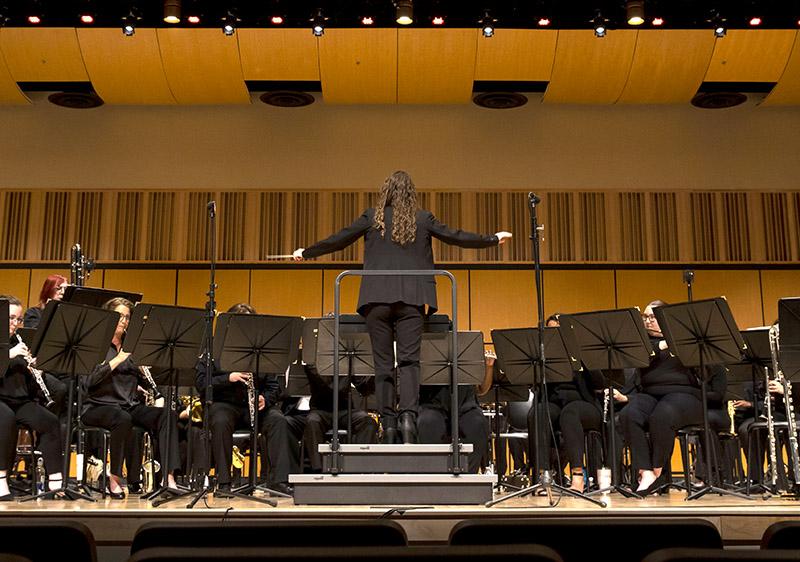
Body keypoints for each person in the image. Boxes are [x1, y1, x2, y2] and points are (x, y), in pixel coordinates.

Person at [293, 170, 511, 443]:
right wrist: (492, 238)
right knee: (410, 363)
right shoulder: (423, 218)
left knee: (383, 365)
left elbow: (339, 239)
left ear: (385, 193)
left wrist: (307, 252)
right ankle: (408, 420)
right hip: (412, 299)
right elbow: (456, 236)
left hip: (376, 299)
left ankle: (389, 424)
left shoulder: (371, 217)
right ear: (411, 195)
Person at [618, 300, 726, 495]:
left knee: (662, 415)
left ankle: (657, 471)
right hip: (650, 394)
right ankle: (646, 471)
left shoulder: (686, 339)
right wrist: (664, 344)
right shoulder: (643, 342)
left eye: (653, 317)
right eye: (646, 317)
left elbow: (708, 371)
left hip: (685, 395)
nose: (648, 321)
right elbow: (643, 356)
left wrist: (686, 344)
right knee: (629, 414)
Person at [82, 297, 181, 498]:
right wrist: (118, 359)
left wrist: (145, 380)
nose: (124, 321)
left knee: (167, 415)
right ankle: (115, 477)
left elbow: (140, 381)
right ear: (109, 317)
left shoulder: (132, 346)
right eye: (119, 316)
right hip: (97, 406)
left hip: (128, 405)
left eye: (127, 317)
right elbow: (88, 381)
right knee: (122, 419)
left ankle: (168, 478)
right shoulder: (95, 343)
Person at [0, 295, 64, 499]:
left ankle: (55, 483)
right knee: (6, 419)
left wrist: (36, 370)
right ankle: (1, 480)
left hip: (19, 400)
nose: (15, 324)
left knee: (50, 421)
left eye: (18, 319)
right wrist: (9, 355)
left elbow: (24, 382)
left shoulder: (18, 340)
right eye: (10, 318)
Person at [417, 350, 493, 472]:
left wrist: (489, 366)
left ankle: (468, 477)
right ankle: (434, 476)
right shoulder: (427, 348)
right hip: (433, 404)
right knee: (428, 422)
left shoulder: (468, 350)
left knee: (477, 423)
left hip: (465, 405)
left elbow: (481, 390)